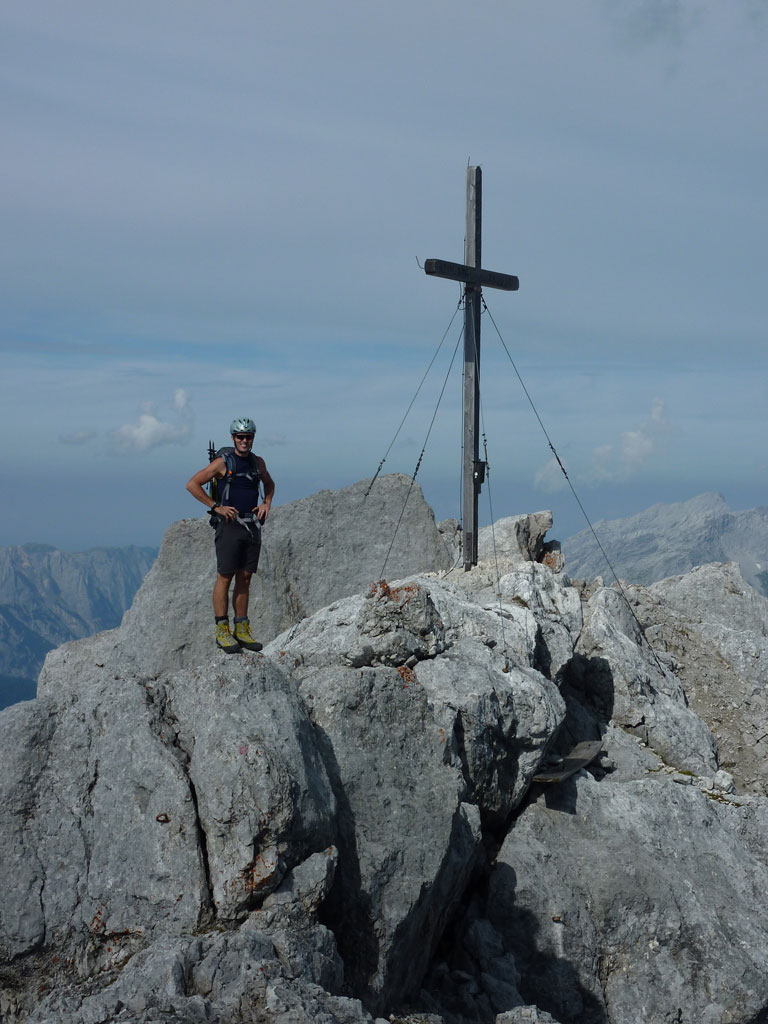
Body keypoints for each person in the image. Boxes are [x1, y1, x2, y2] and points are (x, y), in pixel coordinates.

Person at [186, 417, 275, 653]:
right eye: (240, 437)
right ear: (233, 438)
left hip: (251, 524)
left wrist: (266, 502)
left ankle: (242, 628)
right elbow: (193, 484)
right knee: (225, 577)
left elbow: (269, 483)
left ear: (253, 438)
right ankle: (222, 630)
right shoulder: (223, 462)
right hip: (230, 525)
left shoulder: (258, 462)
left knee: (245, 577)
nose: (244, 441)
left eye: (248, 437)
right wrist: (216, 506)